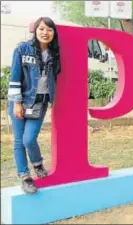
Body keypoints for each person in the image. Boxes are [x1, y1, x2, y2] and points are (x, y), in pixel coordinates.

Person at [7, 17, 61, 194]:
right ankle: (25, 176)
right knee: (19, 141)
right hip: (20, 100)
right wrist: (17, 103)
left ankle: (37, 163)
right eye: (42, 29)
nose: (45, 33)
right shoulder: (23, 49)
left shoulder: (54, 53)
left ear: (54, 33)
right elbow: (14, 77)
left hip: (41, 101)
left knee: (29, 139)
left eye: (49, 30)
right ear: (35, 30)